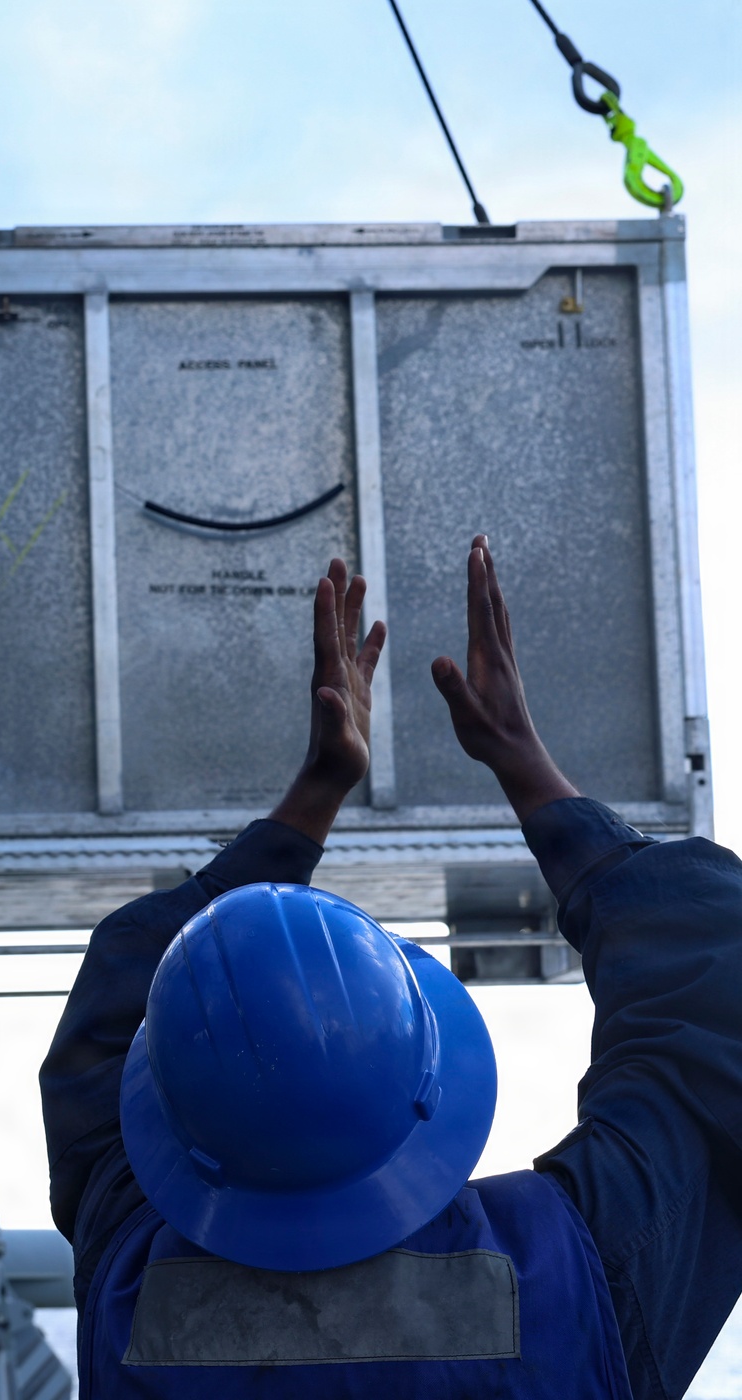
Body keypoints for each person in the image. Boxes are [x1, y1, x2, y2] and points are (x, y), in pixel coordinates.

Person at [40, 538, 742, 1399]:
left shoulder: (129, 1294)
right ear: (431, 1085)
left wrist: (311, 800)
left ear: (175, 1127)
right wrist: (526, 766)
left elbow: (114, 994)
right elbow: (717, 975)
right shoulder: (582, 1270)